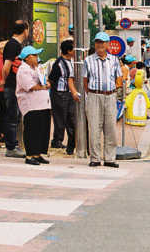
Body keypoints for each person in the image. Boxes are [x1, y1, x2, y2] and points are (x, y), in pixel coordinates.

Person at [84, 32, 122, 168]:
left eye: (102, 42)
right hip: (94, 95)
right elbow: (85, 80)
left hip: (110, 96)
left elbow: (119, 78)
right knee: (94, 127)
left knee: (110, 127)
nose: (99, 45)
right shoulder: (88, 60)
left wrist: (113, 91)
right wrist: (93, 94)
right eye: (97, 42)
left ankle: (110, 158)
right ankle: (95, 158)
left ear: (107, 44)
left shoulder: (114, 60)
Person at [16, 46, 52, 166]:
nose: (37, 58)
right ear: (26, 58)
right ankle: (30, 154)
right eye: (34, 56)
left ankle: (38, 153)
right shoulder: (23, 69)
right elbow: (29, 85)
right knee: (32, 129)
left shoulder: (37, 68)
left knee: (42, 129)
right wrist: (43, 86)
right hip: (31, 104)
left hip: (42, 103)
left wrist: (45, 83)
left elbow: (42, 80)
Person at [2, 20, 29, 158]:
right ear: (25, 31)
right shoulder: (13, 45)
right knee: (12, 117)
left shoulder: (15, 45)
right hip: (12, 85)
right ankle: (11, 147)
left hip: (15, 86)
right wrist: (5, 80)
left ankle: (13, 144)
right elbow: (6, 66)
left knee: (16, 116)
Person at [49, 39, 79, 155]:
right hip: (59, 93)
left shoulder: (72, 62)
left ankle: (72, 141)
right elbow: (52, 78)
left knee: (71, 118)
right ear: (69, 50)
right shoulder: (59, 63)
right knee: (60, 117)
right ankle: (57, 140)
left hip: (70, 93)